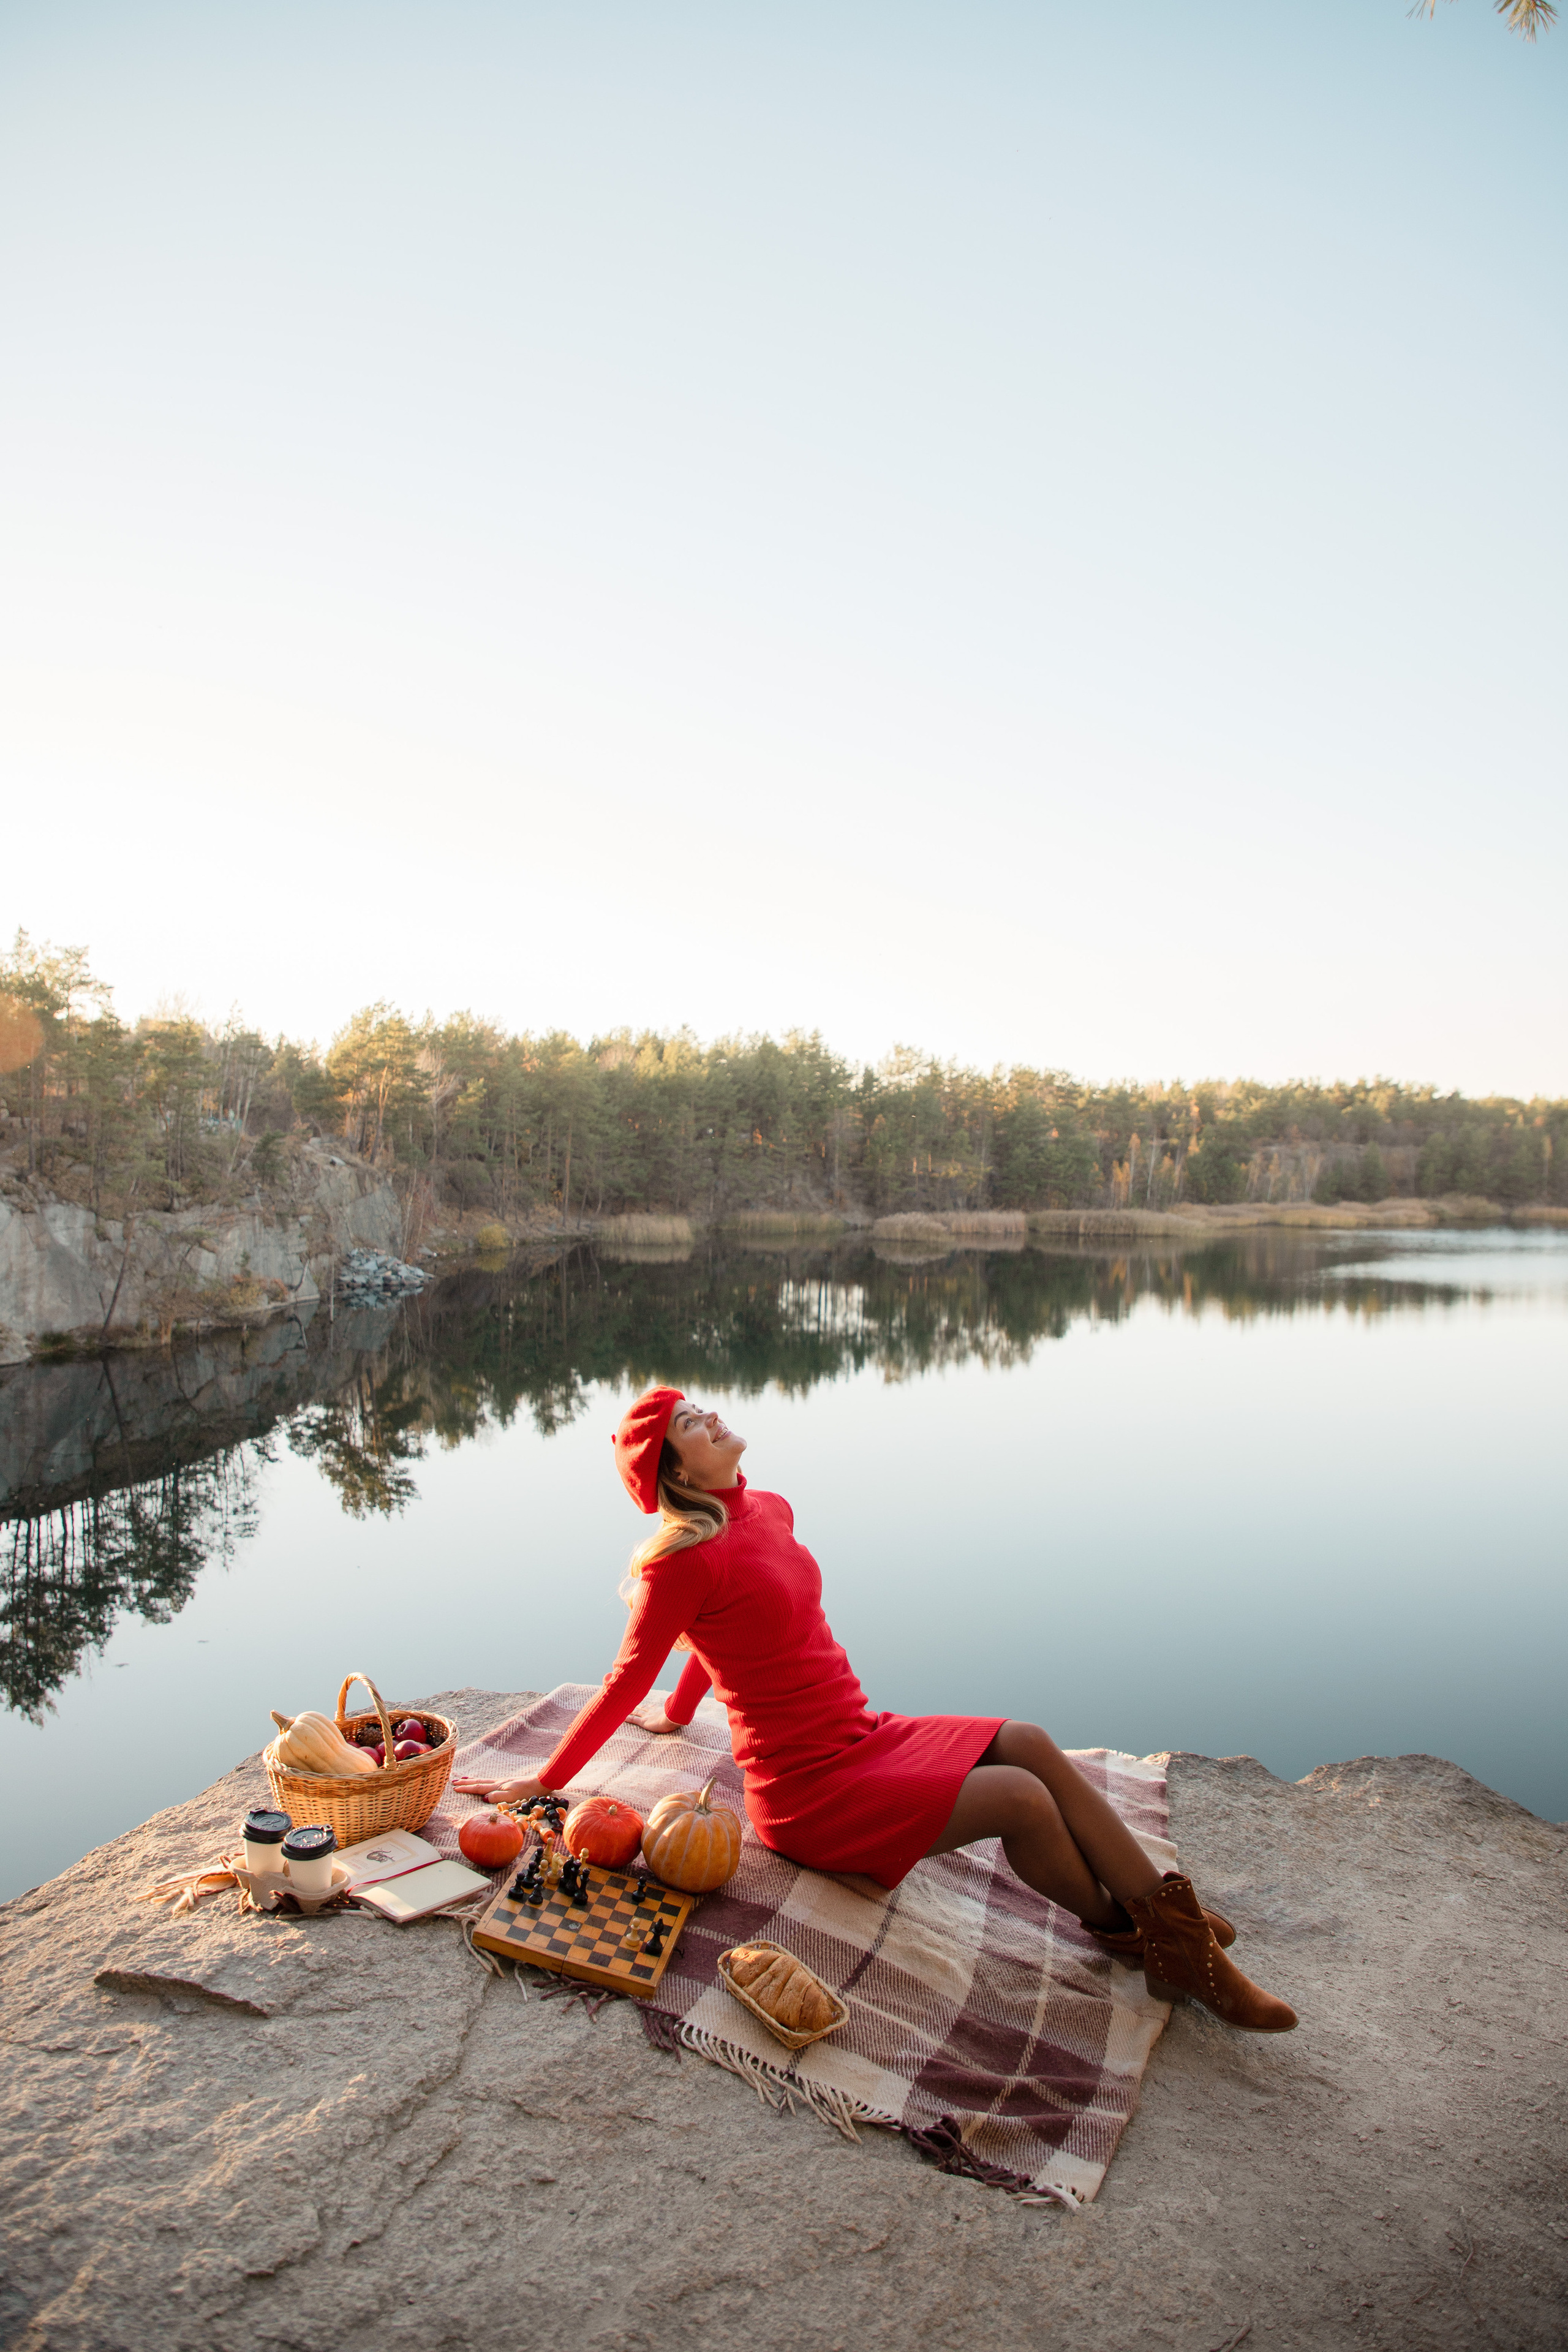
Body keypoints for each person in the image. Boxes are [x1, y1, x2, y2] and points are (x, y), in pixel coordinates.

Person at [454, 1385, 1296, 2031]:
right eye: (691, 1425)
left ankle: (1161, 1929)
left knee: (1030, 1741)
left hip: (861, 1733)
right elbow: (623, 1682)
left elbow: (726, 1643)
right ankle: (1164, 1947)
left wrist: (682, 1714)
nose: (713, 1419)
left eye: (703, 1408)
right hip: (807, 1791)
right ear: (675, 1472)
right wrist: (544, 1778)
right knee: (1022, 1800)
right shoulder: (677, 1565)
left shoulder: (770, 1509)